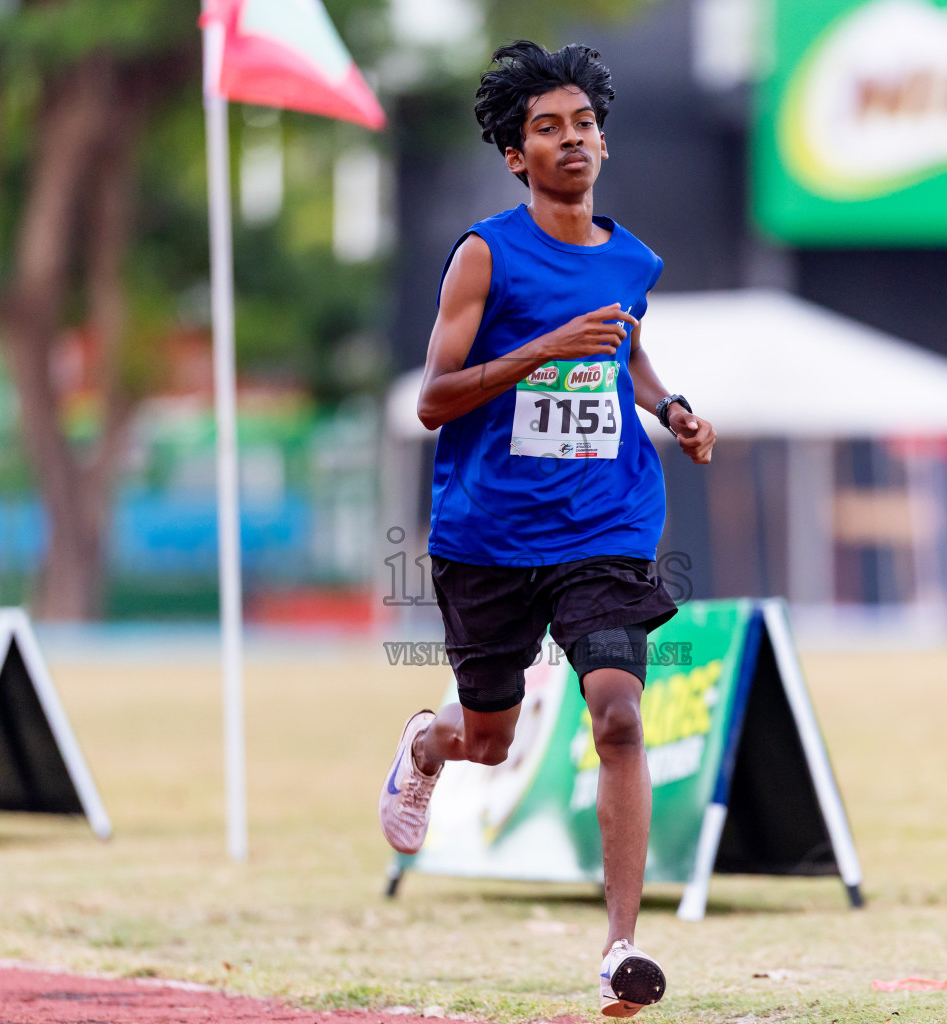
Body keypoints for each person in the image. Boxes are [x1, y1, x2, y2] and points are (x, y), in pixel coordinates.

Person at [378, 40, 716, 1018]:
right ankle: (427, 747)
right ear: (516, 156)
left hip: (604, 524)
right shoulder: (485, 253)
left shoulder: (631, 258)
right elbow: (433, 399)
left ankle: (621, 949)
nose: (570, 140)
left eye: (582, 124)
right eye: (545, 129)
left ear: (602, 142)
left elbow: (629, 346)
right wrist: (542, 350)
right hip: (487, 533)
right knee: (490, 738)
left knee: (617, 714)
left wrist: (671, 406)